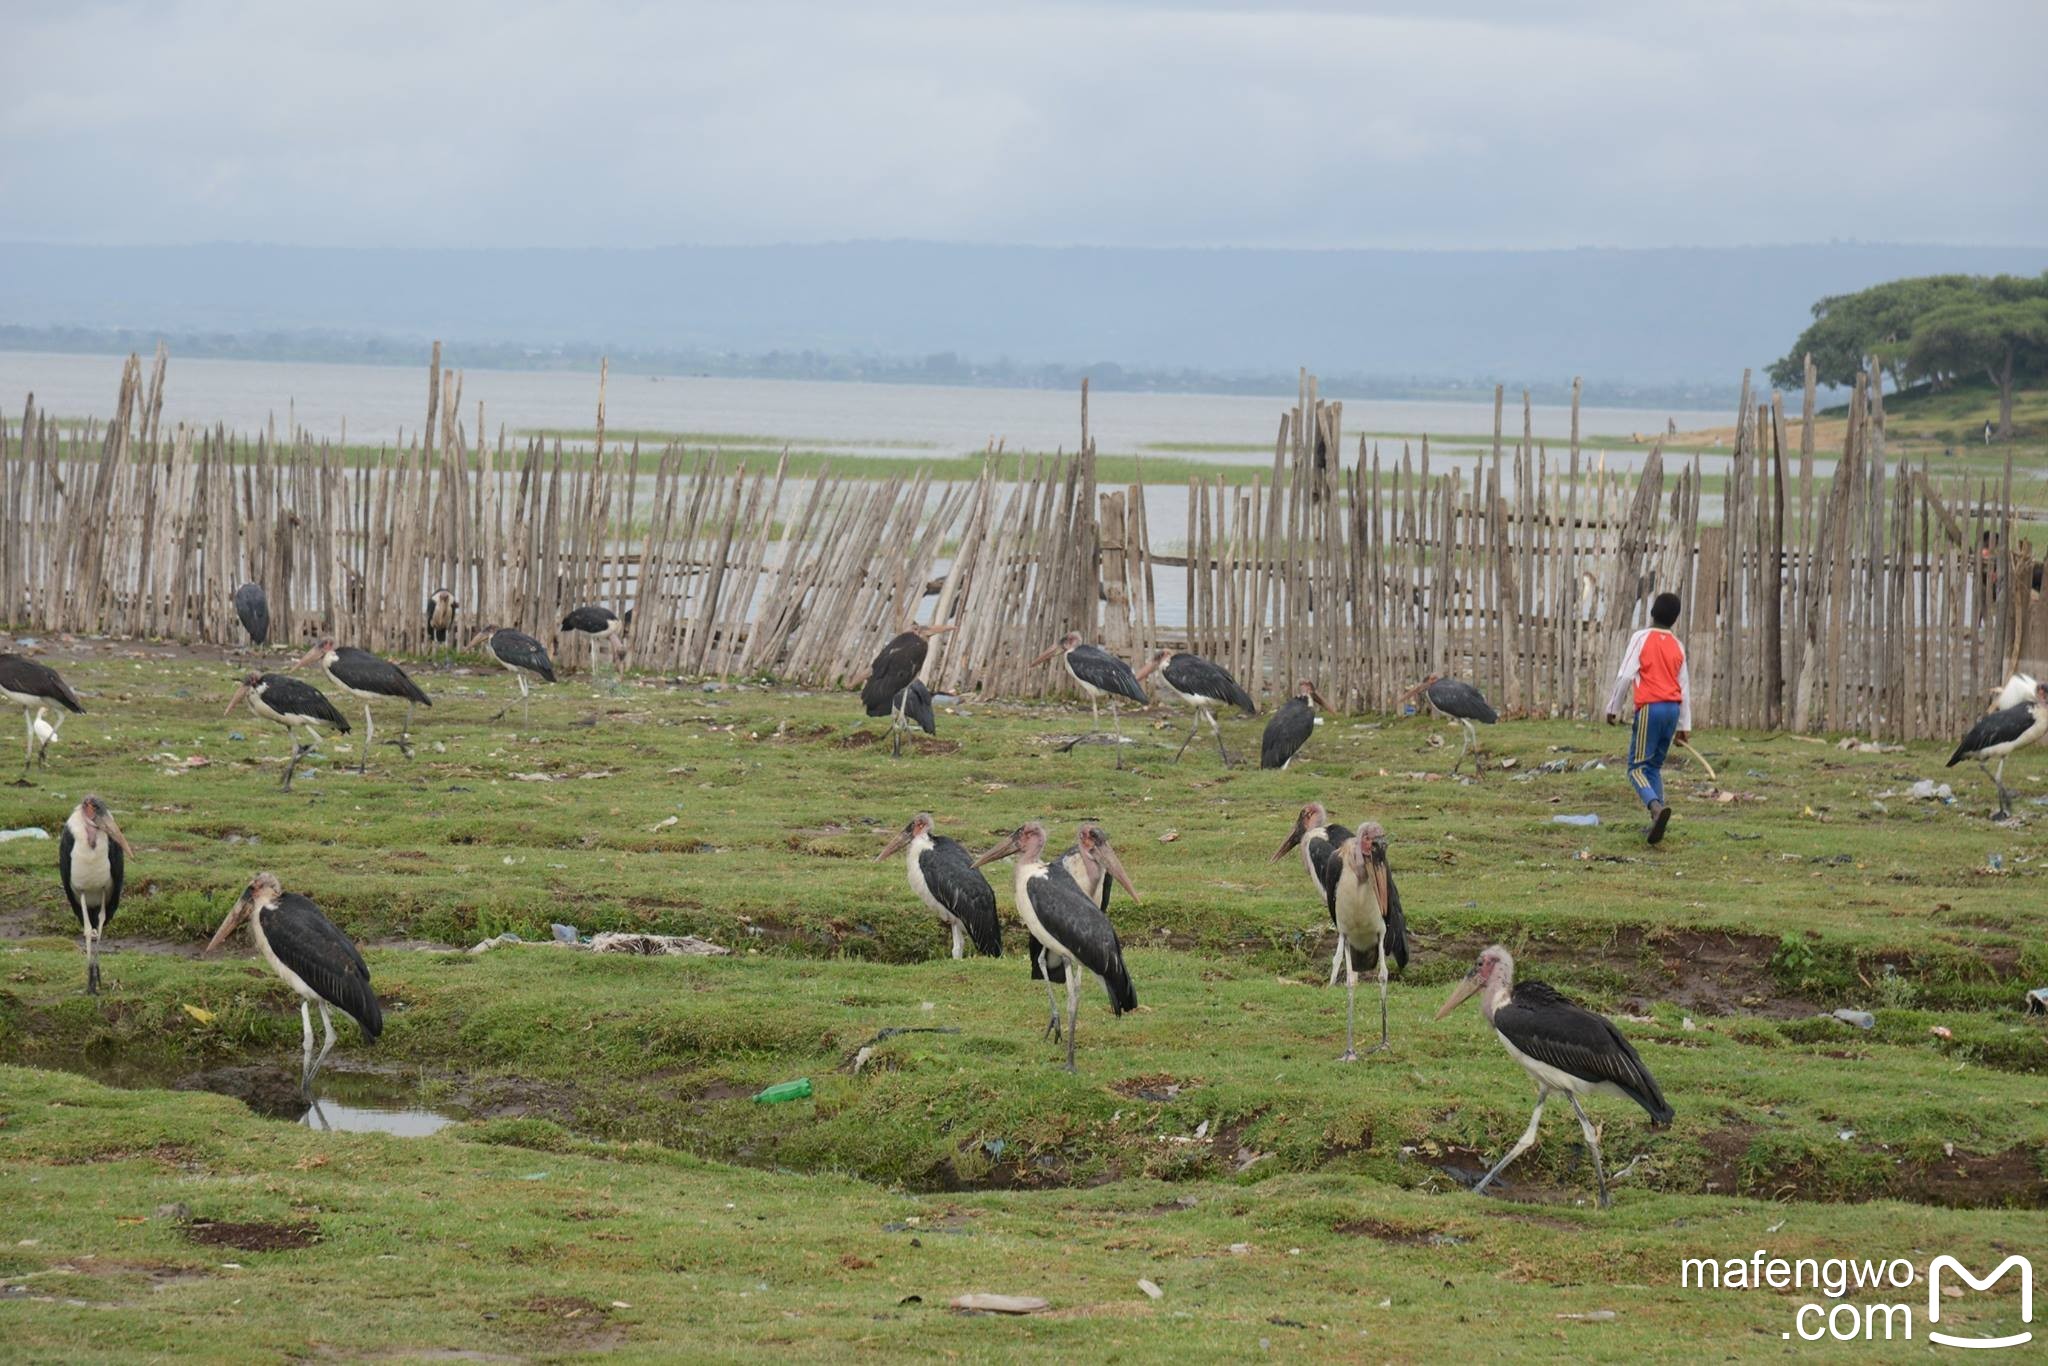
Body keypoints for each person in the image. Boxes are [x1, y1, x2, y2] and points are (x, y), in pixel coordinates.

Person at [1606, 592, 1691, 845]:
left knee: (1636, 768)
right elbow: (1684, 687)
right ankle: (1657, 821)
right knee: (1653, 767)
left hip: (1650, 708)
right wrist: (1684, 726)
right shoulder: (1678, 645)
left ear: (1652, 612)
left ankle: (1655, 808)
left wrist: (1613, 706)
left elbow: (1625, 676)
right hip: (1672, 710)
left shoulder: (1641, 638)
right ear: (1675, 619)